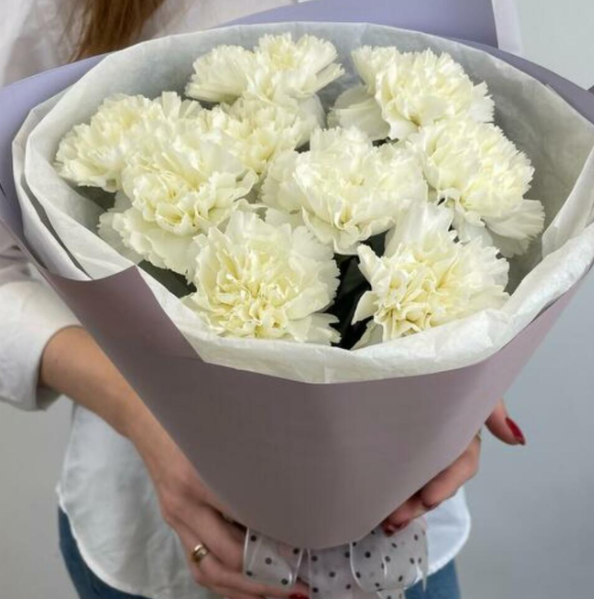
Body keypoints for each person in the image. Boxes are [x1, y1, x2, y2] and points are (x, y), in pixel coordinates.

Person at [0, 1, 527, 598]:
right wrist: (145, 416)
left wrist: (459, 391)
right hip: (149, 536)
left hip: (401, 539)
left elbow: (497, 175)